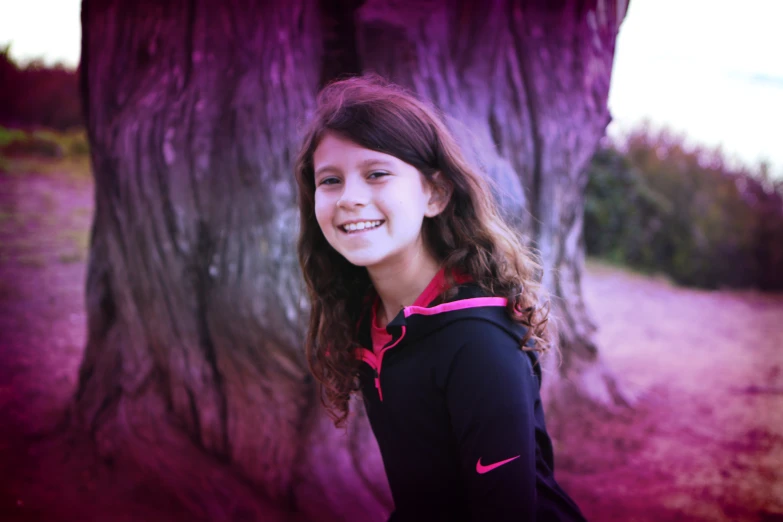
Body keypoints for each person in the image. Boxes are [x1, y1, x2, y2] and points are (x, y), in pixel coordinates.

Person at [294, 74, 587, 522]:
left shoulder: (477, 341)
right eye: (330, 180)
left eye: (376, 174)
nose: (350, 198)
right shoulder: (369, 318)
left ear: (435, 192)